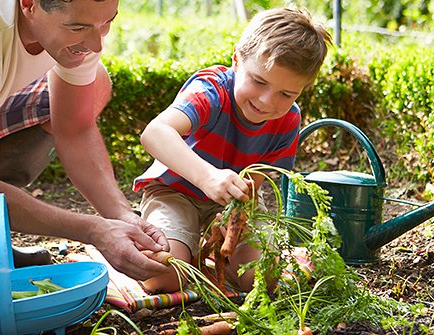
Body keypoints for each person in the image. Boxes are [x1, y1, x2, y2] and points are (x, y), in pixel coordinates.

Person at [0, 0, 170, 302]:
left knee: (95, 84)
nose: (96, 42)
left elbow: (74, 128)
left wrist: (122, 216)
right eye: (78, 27)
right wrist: (94, 231)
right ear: (28, 5)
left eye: (107, 22)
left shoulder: (84, 22)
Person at [133, 7, 332, 293]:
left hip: (233, 203)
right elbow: (155, 133)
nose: (266, 101)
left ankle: (206, 254)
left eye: (286, 94)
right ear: (237, 59)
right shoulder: (211, 90)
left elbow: (254, 184)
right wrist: (207, 178)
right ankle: (174, 247)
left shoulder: (288, 120)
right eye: (259, 81)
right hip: (175, 191)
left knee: (260, 280)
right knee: (163, 277)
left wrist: (235, 216)